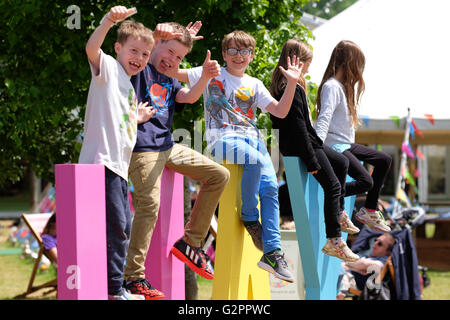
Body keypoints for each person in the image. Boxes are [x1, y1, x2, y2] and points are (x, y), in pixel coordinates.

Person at [177, 30, 302, 283]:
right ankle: (249, 218)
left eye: (244, 51)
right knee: (254, 162)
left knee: (271, 188)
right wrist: (185, 43)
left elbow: (280, 111)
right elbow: (170, 70)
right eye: (232, 51)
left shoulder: (254, 83)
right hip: (222, 139)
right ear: (224, 54)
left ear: (251, 55)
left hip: (253, 139)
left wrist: (292, 83)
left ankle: (273, 253)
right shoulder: (211, 73)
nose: (238, 56)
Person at [123, 22, 230, 300]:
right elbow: (140, 39)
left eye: (179, 57)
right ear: (155, 45)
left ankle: (190, 243)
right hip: (142, 149)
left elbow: (188, 97)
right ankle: (133, 277)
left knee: (219, 174)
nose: (172, 60)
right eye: (169, 51)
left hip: (167, 147)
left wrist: (204, 77)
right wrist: (159, 36)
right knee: (149, 204)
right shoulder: (140, 67)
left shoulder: (170, 78)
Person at [79, 5, 165, 300]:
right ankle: (115, 290)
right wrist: (108, 21)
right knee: (120, 226)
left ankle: (109, 287)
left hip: (116, 166)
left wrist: (136, 117)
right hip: (103, 163)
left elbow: (117, 120)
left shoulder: (127, 86)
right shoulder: (107, 69)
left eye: (144, 54)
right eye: (133, 51)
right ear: (117, 48)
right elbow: (91, 47)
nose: (139, 59)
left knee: (117, 226)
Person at [270, 39, 360, 262]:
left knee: (342, 163)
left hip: (310, 142)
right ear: (297, 62)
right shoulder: (289, 89)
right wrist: (311, 161)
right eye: (307, 63)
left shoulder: (291, 88)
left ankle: (339, 213)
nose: (309, 68)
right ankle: (335, 240)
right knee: (332, 185)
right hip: (302, 147)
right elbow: (298, 128)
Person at [314, 40, 392, 233]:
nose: (360, 71)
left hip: (346, 143)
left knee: (384, 159)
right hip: (334, 145)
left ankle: (370, 210)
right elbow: (324, 118)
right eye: (359, 65)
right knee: (366, 181)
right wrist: (316, 148)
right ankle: (333, 195)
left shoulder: (343, 88)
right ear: (349, 63)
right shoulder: (331, 86)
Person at [337, 233, 395, 299]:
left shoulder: (384, 261)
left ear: (388, 252)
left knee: (338, 269)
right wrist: (357, 266)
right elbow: (362, 264)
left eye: (380, 244)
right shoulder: (368, 256)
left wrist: (347, 263)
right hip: (345, 274)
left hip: (351, 281)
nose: (375, 243)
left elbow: (367, 265)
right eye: (376, 240)